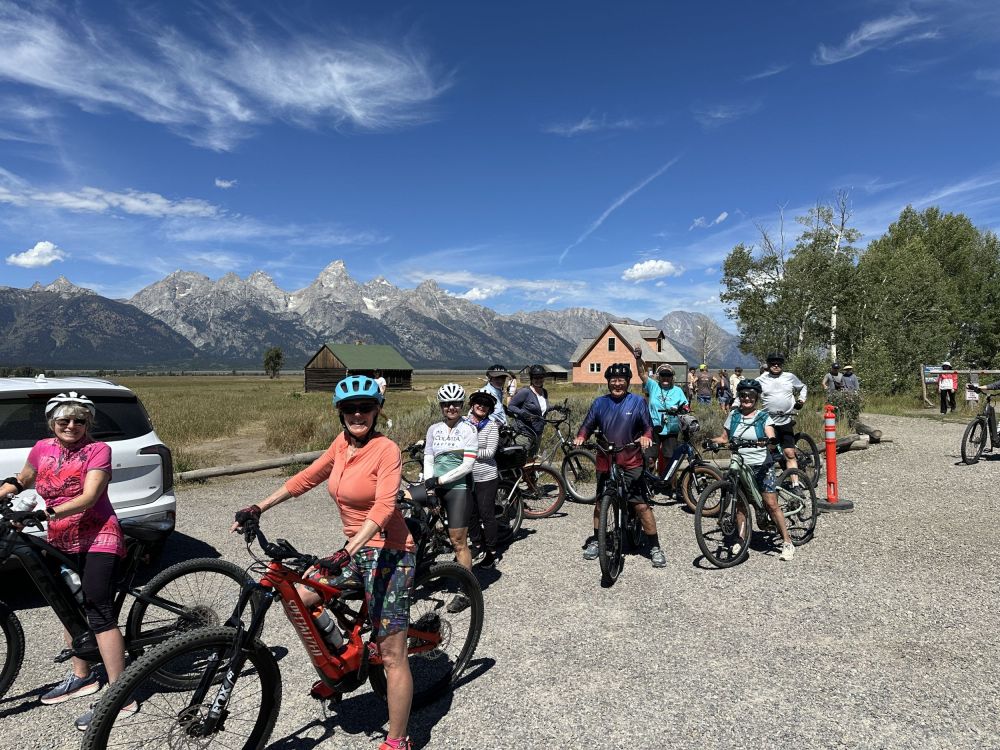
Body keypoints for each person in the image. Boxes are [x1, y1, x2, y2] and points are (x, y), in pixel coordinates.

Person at [233, 375, 415, 750]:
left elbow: (384, 506)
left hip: (390, 551)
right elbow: (307, 477)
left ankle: (399, 740)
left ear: (377, 410)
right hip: (355, 548)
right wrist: (258, 507)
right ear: (340, 414)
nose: (357, 414)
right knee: (299, 597)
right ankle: (344, 662)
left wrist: (347, 551)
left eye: (364, 407)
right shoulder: (342, 444)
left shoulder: (386, 450)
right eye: (349, 409)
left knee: (394, 653)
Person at [0, 392, 136, 730]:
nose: (71, 425)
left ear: (88, 422)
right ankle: (82, 677)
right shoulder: (42, 447)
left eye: (79, 420)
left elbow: (90, 497)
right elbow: (23, 479)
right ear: (52, 423)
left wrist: (46, 511)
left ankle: (122, 694)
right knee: (65, 604)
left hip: (99, 533)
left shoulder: (97, 450)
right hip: (62, 536)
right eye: (64, 420)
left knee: (97, 607)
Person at [573, 362, 666, 568]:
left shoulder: (637, 402)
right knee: (600, 504)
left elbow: (647, 426)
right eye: (613, 380)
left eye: (621, 380)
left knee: (640, 505)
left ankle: (654, 547)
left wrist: (646, 437)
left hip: (631, 459)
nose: (617, 384)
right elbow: (588, 424)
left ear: (627, 382)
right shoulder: (599, 403)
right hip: (606, 459)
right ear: (608, 382)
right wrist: (581, 436)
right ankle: (598, 540)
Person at [705, 379, 796, 562]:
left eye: (751, 396)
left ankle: (787, 542)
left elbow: (770, 432)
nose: (747, 398)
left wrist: (769, 440)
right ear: (740, 397)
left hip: (761, 464)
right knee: (740, 505)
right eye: (744, 395)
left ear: (756, 398)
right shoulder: (734, 415)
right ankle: (741, 538)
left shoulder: (763, 416)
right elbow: (724, 438)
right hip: (740, 465)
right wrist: (711, 441)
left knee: (770, 503)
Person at [423, 383, 478, 584]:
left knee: (458, 542)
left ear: (462, 405)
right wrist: (429, 489)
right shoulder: (433, 429)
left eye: (455, 403)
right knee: (406, 503)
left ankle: (468, 589)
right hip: (435, 485)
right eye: (446, 404)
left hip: (457, 489)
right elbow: (428, 459)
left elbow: (467, 466)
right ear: (441, 406)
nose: (451, 407)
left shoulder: (469, 429)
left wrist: (439, 481)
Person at [633, 346, 689, 478]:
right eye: (663, 375)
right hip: (653, 426)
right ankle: (648, 484)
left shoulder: (678, 391)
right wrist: (638, 358)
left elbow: (686, 406)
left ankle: (669, 485)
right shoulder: (653, 386)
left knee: (670, 459)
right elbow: (642, 373)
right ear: (659, 376)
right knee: (650, 458)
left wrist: (682, 410)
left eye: (668, 375)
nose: (665, 378)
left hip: (671, 428)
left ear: (672, 377)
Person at [757, 352, 807, 482]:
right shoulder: (761, 380)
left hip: (786, 420)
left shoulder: (789, 377)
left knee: (789, 453)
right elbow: (748, 391)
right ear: (768, 365)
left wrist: (801, 400)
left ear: (782, 364)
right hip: (769, 422)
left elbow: (803, 387)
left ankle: (795, 485)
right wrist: (736, 406)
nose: (776, 365)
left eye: (779, 363)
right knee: (769, 453)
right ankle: (769, 482)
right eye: (773, 363)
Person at [465, 390, 501, 568]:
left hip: (486, 475)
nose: (481, 406)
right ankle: (477, 544)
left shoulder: (491, 425)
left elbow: (489, 453)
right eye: (478, 402)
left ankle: (492, 551)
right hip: (466, 475)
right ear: (472, 405)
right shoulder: (463, 423)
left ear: (490, 409)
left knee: (486, 513)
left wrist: (467, 453)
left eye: (486, 404)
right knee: (470, 513)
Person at [507, 364, 549, 456]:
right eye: (535, 378)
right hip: (524, 433)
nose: (538, 380)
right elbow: (511, 406)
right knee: (520, 460)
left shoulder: (544, 392)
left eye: (541, 377)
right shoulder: (525, 392)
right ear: (531, 379)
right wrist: (523, 413)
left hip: (538, 432)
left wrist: (556, 407)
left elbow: (542, 409)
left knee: (531, 461)